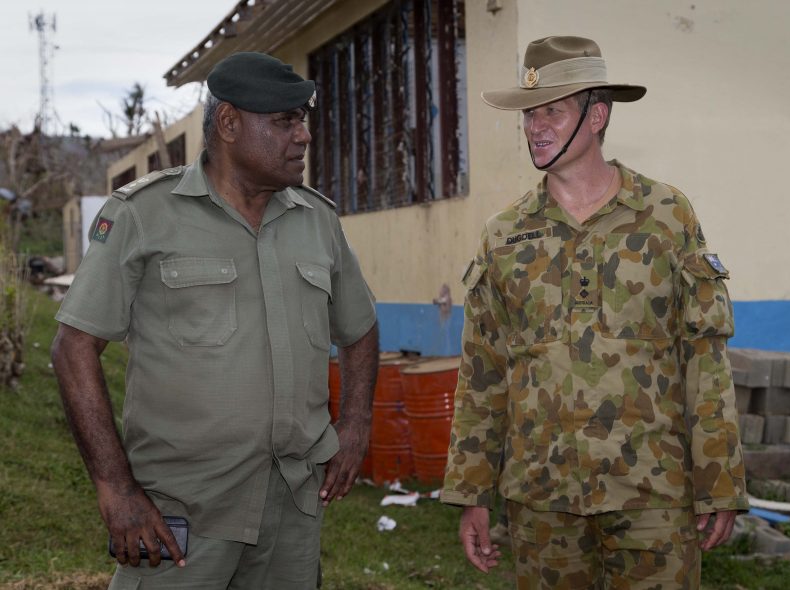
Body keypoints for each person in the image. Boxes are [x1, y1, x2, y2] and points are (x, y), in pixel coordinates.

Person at [51, 51, 379, 589]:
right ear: (228, 123)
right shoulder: (143, 214)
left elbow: (360, 327)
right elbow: (73, 347)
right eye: (284, 122)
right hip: (183, 513)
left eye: (303, 120)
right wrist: (116, 489)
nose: (303, 136)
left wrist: (356, 422)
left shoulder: (317, 220)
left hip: (292, 507)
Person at [440, 36, 747, 589]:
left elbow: (704, 355)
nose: (536, 126)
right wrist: (472, 492)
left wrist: (719, 480)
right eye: (529, 114)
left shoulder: (666, 216)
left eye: (552, 110)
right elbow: (482, 374)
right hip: (541, 498)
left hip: (654, 490)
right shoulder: (505, 236)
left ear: (597, 114)